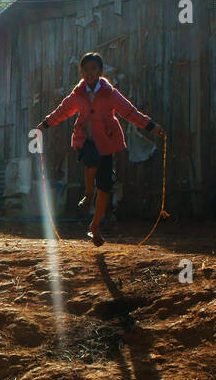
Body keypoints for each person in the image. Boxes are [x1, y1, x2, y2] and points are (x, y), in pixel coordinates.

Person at [37, 52, 166, 246]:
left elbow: (129, 112)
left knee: (105, 187)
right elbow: (62, 112)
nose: (89, 73)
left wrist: (151, 126)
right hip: (86, 142)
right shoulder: (77, 95)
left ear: (100, 71)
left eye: (94, 69)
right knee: (92, 159)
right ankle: (88, 194)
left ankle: (94, 226)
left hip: (106, 142)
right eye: (86, 69)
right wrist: (44, 125)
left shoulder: (110, 94)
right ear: (81, 72)